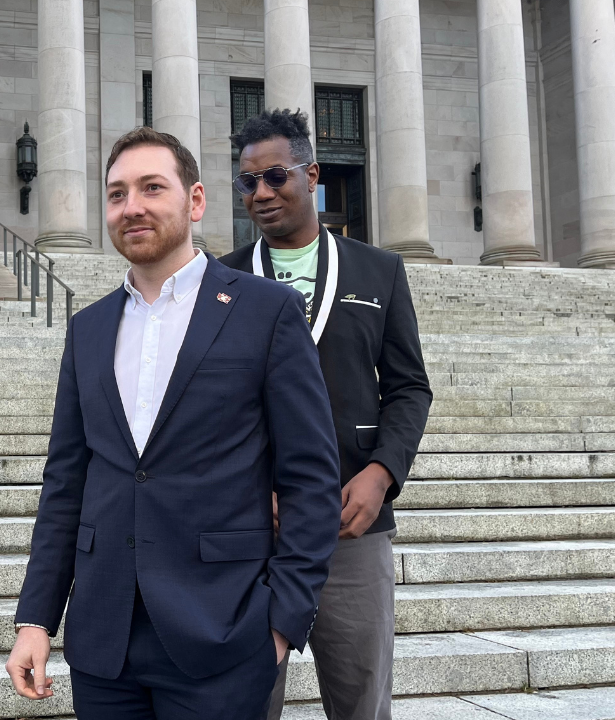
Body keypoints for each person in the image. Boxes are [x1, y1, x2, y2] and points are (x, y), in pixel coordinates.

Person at [5, 126, 342, 719]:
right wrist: (36, 619)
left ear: (195, 200)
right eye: (116, 194)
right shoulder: (87, 328)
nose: (131, 206)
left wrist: (282, 624)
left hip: (222, 636)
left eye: (151, 187)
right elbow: (66, 482)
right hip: (103, 645)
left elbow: (310, 478)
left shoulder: (266, 311)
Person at [220, 109, 432, 720]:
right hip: (254, 531)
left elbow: (410, 388)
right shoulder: (221, 279)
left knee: (361, 701)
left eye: (275, 177)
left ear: (312, 175)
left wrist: (382, 473)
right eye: (247, 182)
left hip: (353, 524)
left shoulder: (380, 270)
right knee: (248, 698)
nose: (260, 194)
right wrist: (253, 488)